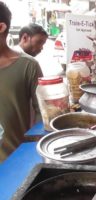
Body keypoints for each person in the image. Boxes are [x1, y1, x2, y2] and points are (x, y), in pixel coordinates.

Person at [0, 2, 43, 162]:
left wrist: (33, 151)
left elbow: (43, 113)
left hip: (13, 163)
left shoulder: (28, 66)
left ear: (1, 27)